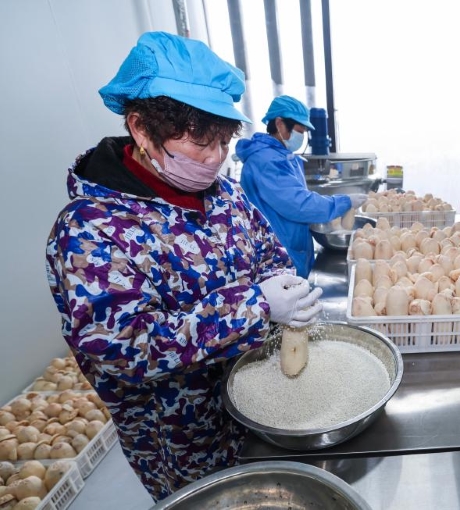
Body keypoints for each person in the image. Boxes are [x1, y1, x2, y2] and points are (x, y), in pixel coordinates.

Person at [45, 32, 322, 501]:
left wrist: (286, 290)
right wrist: (254, 306)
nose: (215, 159)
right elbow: (124, 350)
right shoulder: (91, 231)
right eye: (198, 144)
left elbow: (270, 257)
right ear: (140, 128)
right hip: (182, 439)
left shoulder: (225, 196)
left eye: (223, 142)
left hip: (254, 406)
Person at [235, 95, 368, 278]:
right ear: (280, 124)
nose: (302, 137)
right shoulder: (265, 161)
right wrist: (343, 202)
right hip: (278, 256)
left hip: (292, 247)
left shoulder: (283, 156)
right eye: (300, 130)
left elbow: (297, 195)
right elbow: (298, 204)